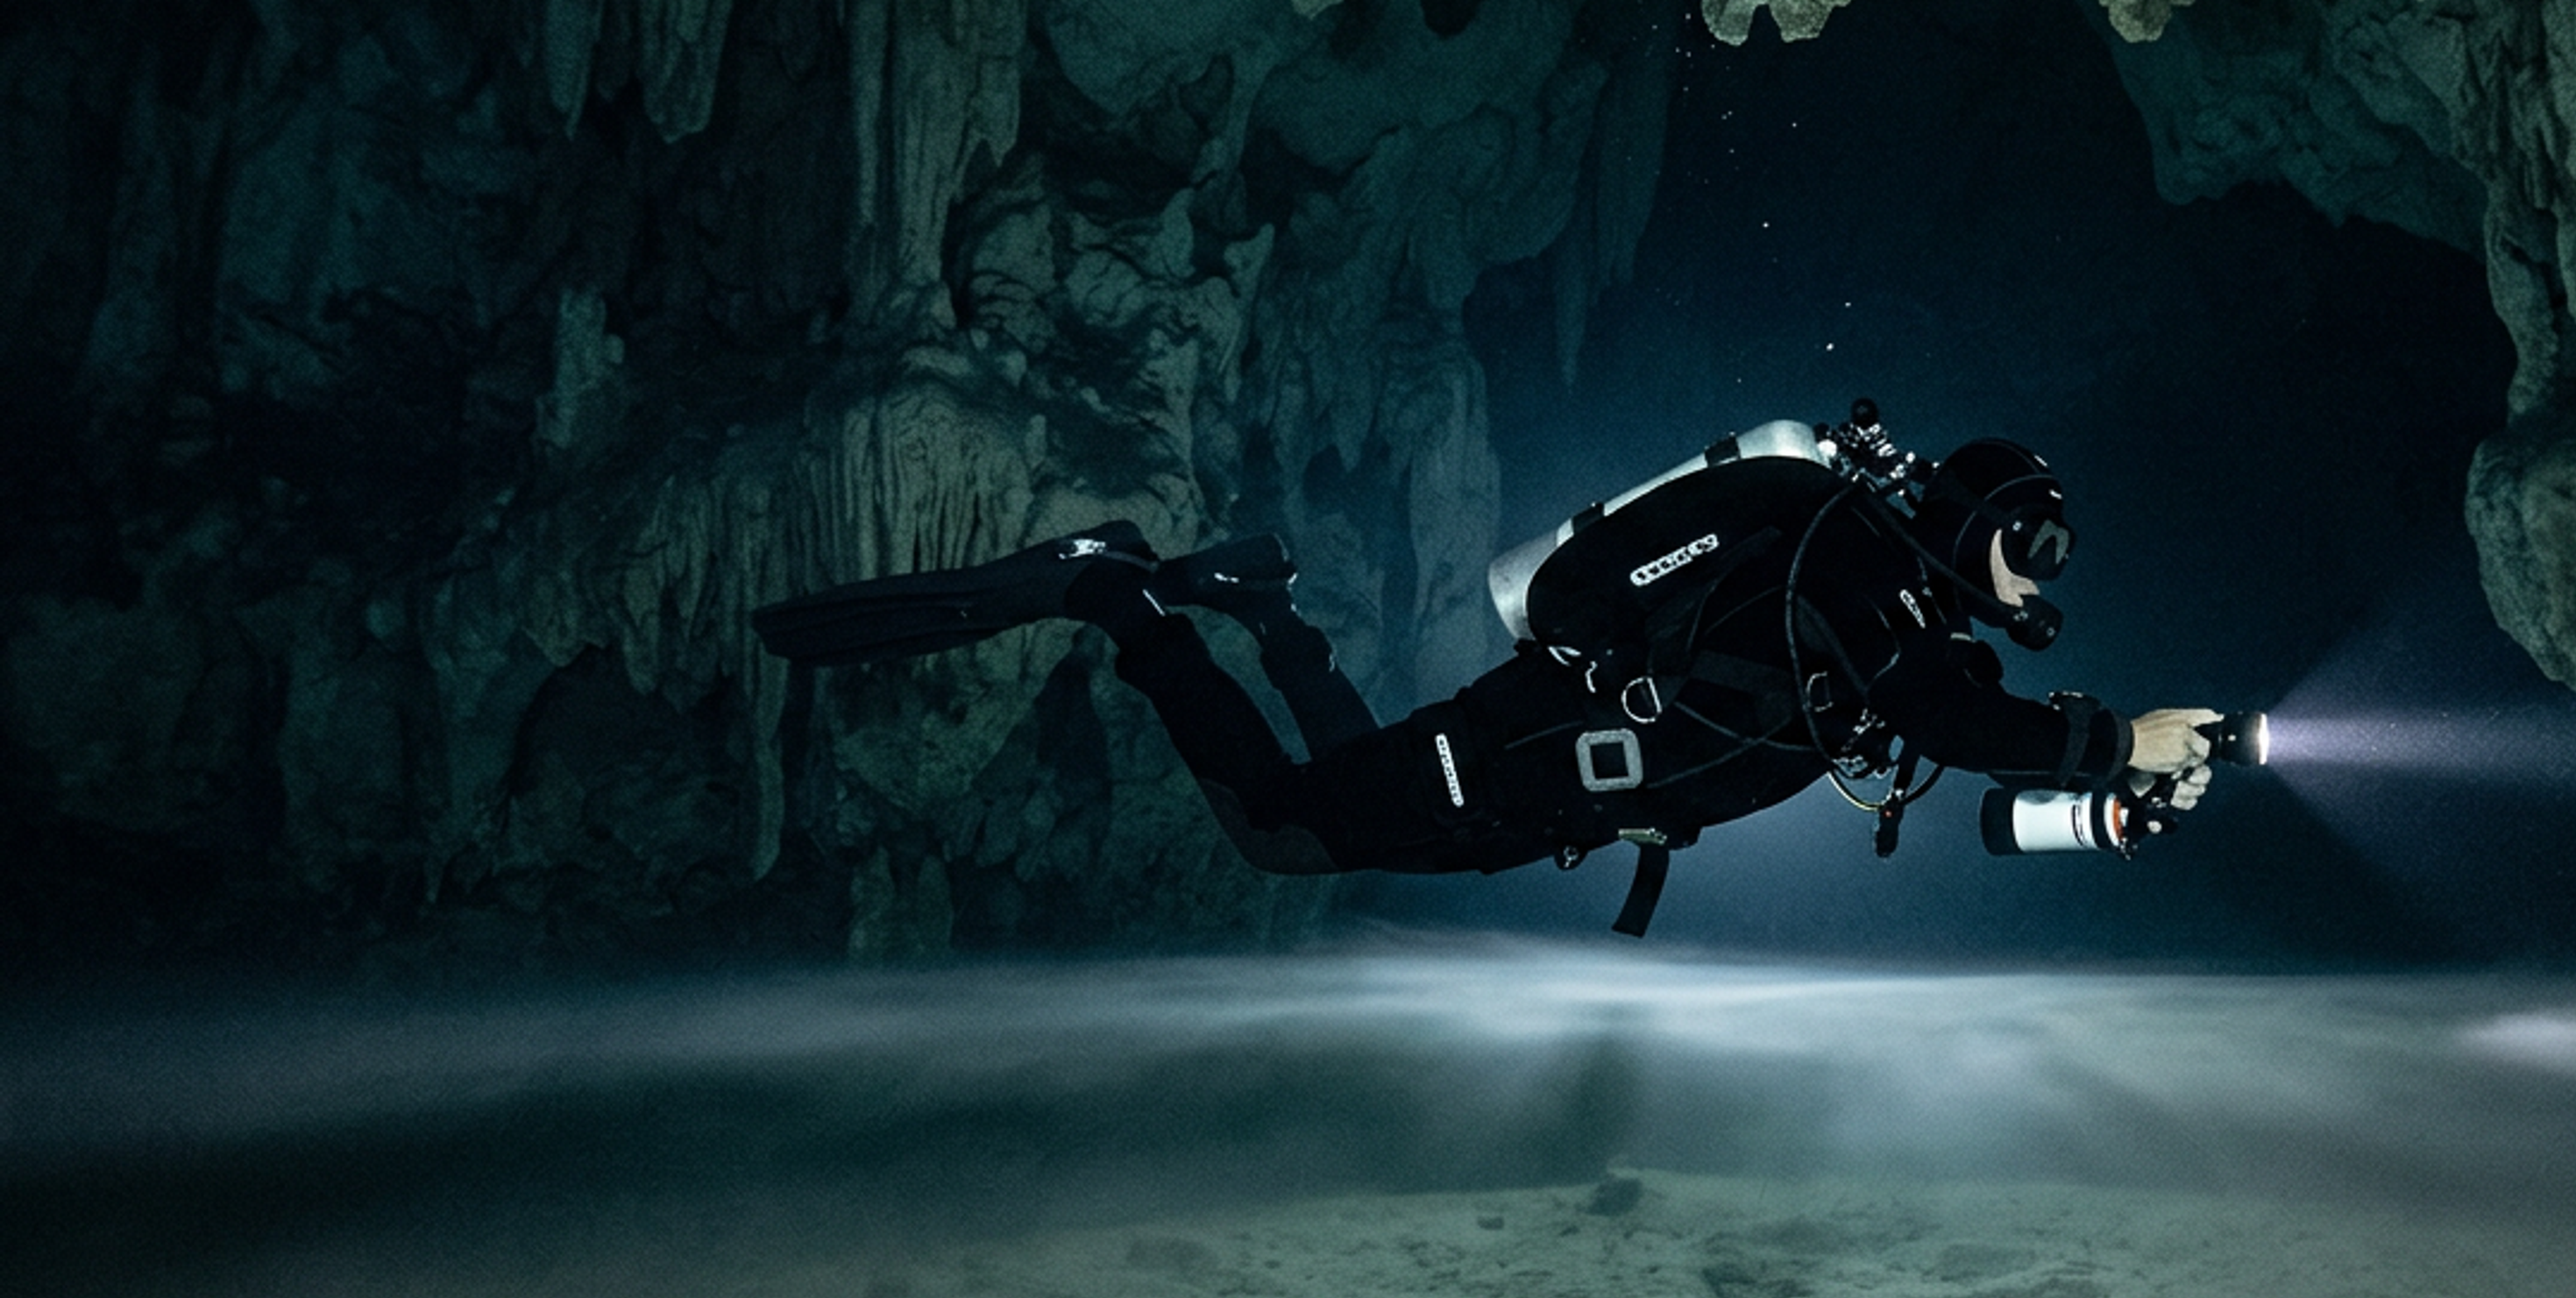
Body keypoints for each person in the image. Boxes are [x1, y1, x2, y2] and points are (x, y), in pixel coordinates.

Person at [753, 411, 2223, 933]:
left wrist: (2105, 790)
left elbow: (1953, 745)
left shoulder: (1898, 611)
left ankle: (1264, 610)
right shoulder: (1850, 563)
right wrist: (2116, 742)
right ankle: (1117, 598)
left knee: (1337, 787)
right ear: (1970, 524)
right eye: (2034, 543)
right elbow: (1950, 719)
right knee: (1281, 832)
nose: (2041, 574)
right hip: (1530, 755)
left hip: (1546, 791)